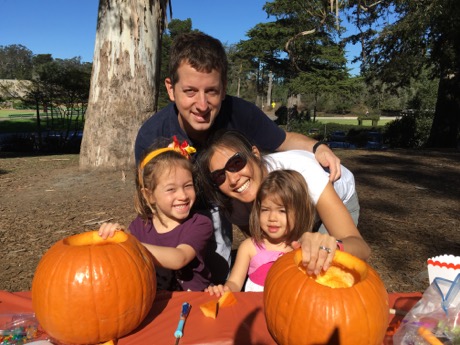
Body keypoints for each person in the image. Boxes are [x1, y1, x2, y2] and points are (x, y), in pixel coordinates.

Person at [133, 31, 343, 282]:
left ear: (223, 89)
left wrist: (318, 146)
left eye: (211, 91)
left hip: (226, 198)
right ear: (170, 88)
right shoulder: (152, 136)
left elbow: (282, 139)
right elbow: (150, 198)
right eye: (190, 91)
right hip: (185, 205)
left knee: (223, 271)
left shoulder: (240, 113)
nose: (201, 105)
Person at [196, 130, 371, 275]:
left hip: (331, 197)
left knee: (326, 267)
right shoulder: (233, 203)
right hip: (294, 210)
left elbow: (360, 247)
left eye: (236, 163)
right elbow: (264, 245)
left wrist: (333, 247)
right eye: (219, 176)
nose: (232, 179)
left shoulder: (304, 173)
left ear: (255, 154)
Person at [98, 136, 213, 291]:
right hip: (152, 302)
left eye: (187, 186)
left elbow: (179, 258)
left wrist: (130, 244)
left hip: (193, 302)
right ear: (149, 195)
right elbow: (125, 264)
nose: (183, 196)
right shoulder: (139, 226)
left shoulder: (199, 224)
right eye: (171, 189)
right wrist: (113, 238)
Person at [206, 169, 318, 296]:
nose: (272, 218)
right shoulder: (249, 247)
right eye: (265, 210)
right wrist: (225, 290)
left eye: (282, 211)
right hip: (254, 309)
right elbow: (235, 283)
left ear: (300, 212)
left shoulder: (304, 249)